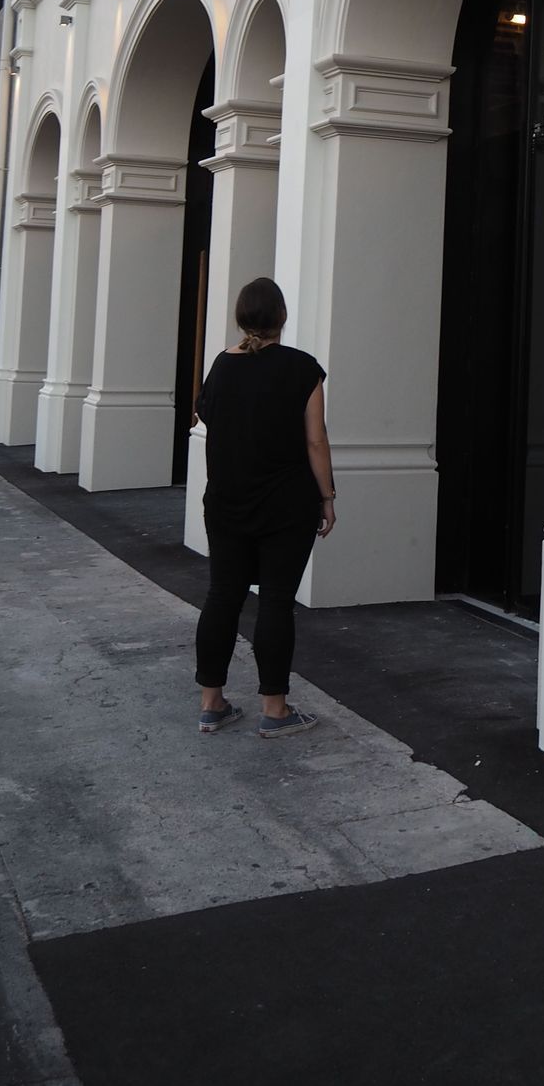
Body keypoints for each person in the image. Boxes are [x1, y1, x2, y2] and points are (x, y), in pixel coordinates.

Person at [192, 276, 336, 739]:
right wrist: (328, 496)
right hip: (286, 504)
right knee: (275, 601)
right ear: (282, 318)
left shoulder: (220, 367)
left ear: (240, 318)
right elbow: (315, 439)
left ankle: (212, 704)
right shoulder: (302, 369)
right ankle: (275, 710)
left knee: (223, 597)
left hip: (227, 502)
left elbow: (205, 416)